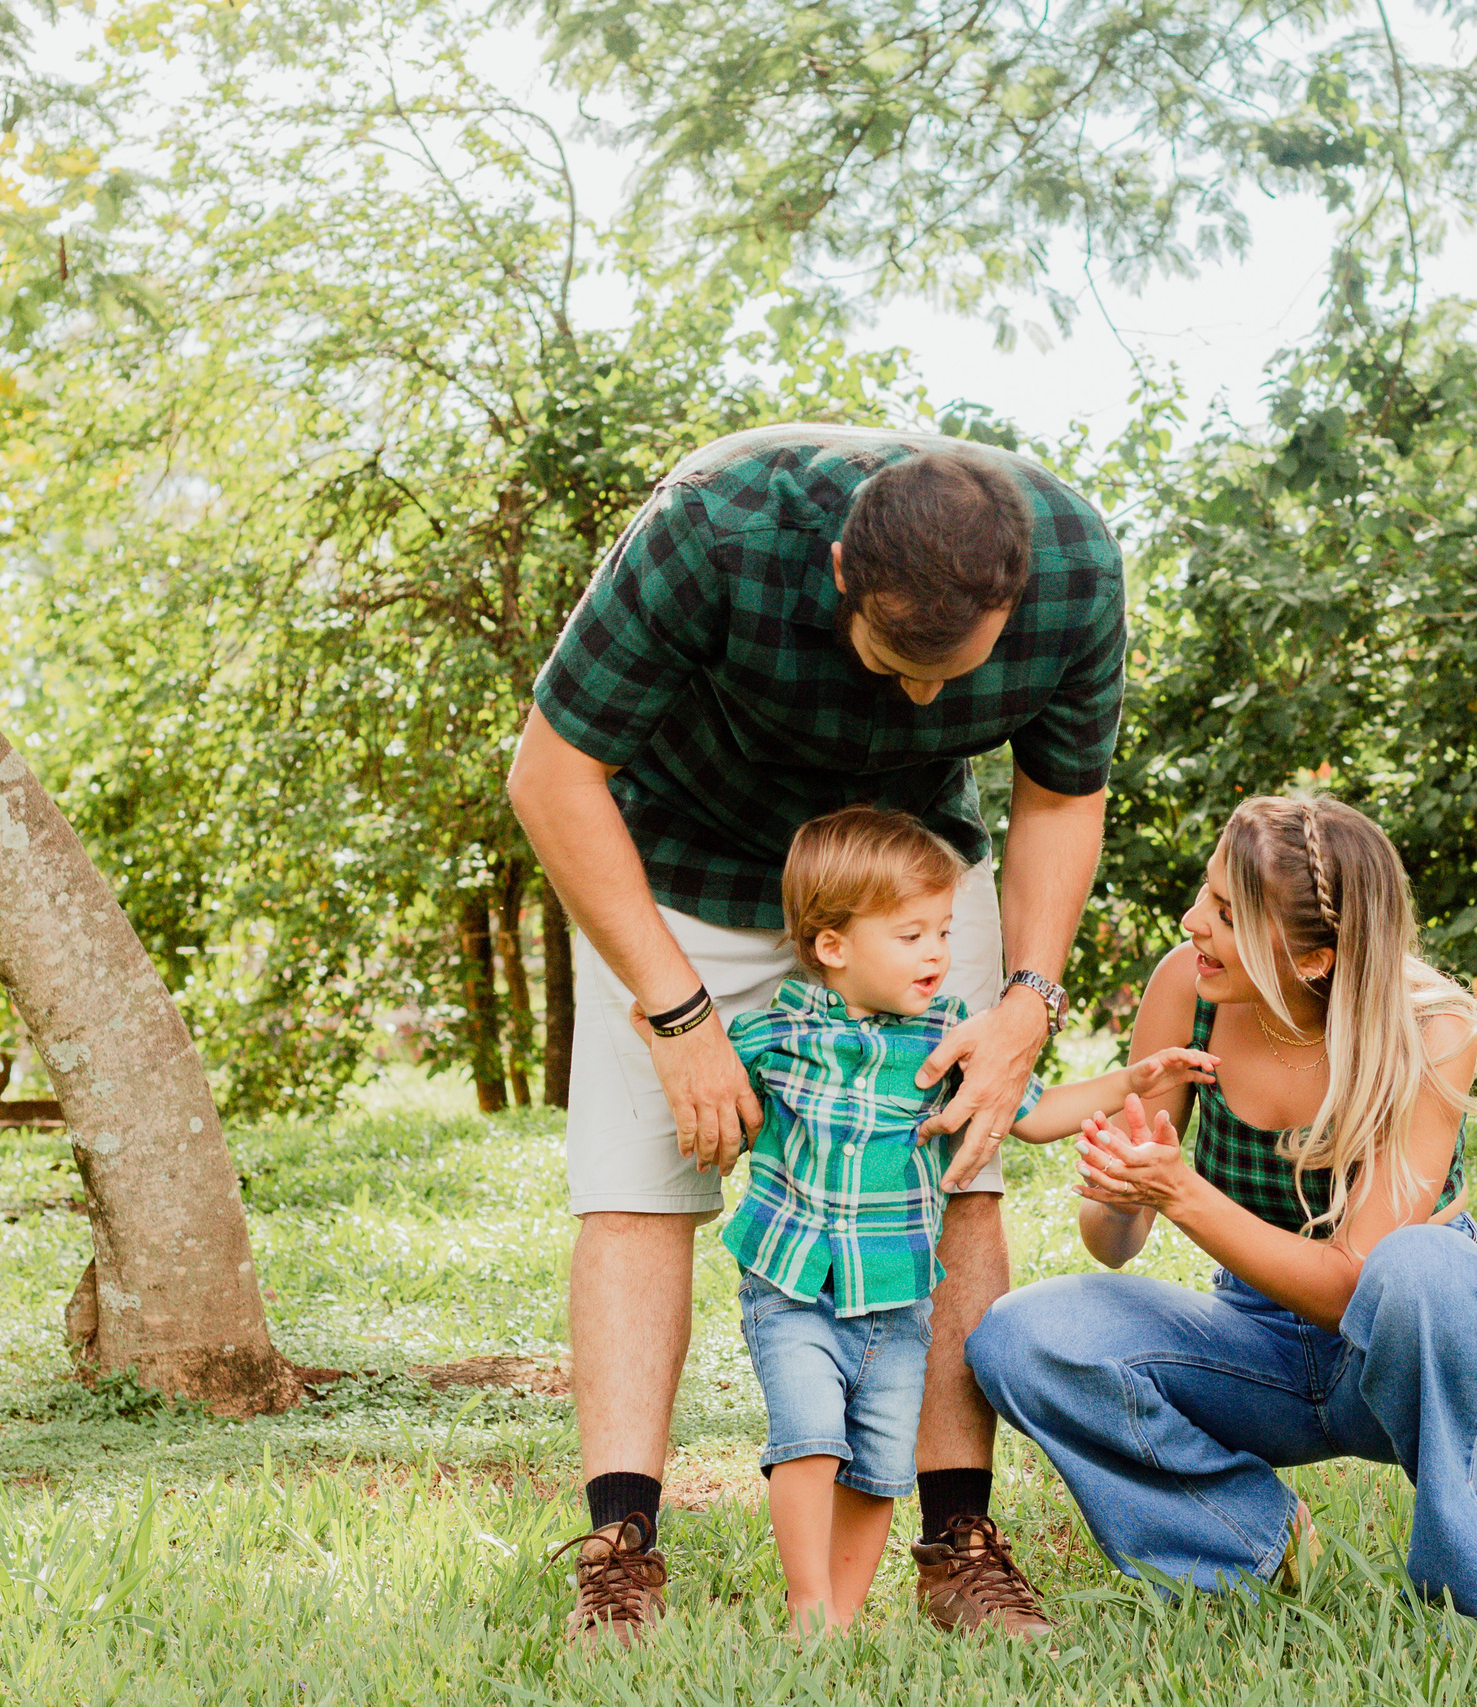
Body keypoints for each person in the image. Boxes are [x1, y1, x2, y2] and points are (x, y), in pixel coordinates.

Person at [507, 425, 1125, 1648]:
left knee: (961, 1176)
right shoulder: (711, 533)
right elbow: (551, 776)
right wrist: (675, 1015)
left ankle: (957, 1547)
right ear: (842, 567)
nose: (924, 699)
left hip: (905, 890)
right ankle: (620, 1553)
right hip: (679, 865)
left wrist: (1026, 1004)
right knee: (641, 1192)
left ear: (1013, 590)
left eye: (960, 671)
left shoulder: (1076, 564)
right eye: (899, 660)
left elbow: (1063, 795)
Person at [964, 796, 1477, 1615]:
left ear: (1316, 958)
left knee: (1423, 1268)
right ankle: (1253, 1544)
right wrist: (1127, 1192)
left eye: (1226, 913)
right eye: (1205, 892)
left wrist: (1183, 1193)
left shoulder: (1431, 1028)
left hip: (1394, 1357)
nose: (1192, 921)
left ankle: (1464, 1592)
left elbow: (1352, 1283)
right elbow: (1113, 1246)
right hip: (1254, 1339)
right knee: (1019, 1337)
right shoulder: (1187, 987)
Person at [720, 806, 1218, 1633]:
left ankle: (841, 1617)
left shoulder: (953, 1037)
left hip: (898, 1299)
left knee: (879, 1464)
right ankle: (808, 1601)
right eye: (911, 934)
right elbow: (715, 1091)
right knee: (810, 1434)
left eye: (944, 932)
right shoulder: (778, 1032)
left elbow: (1036, 1110)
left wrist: (1136, 1077)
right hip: (794, 1282)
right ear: (834, 945)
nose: (937, 953)